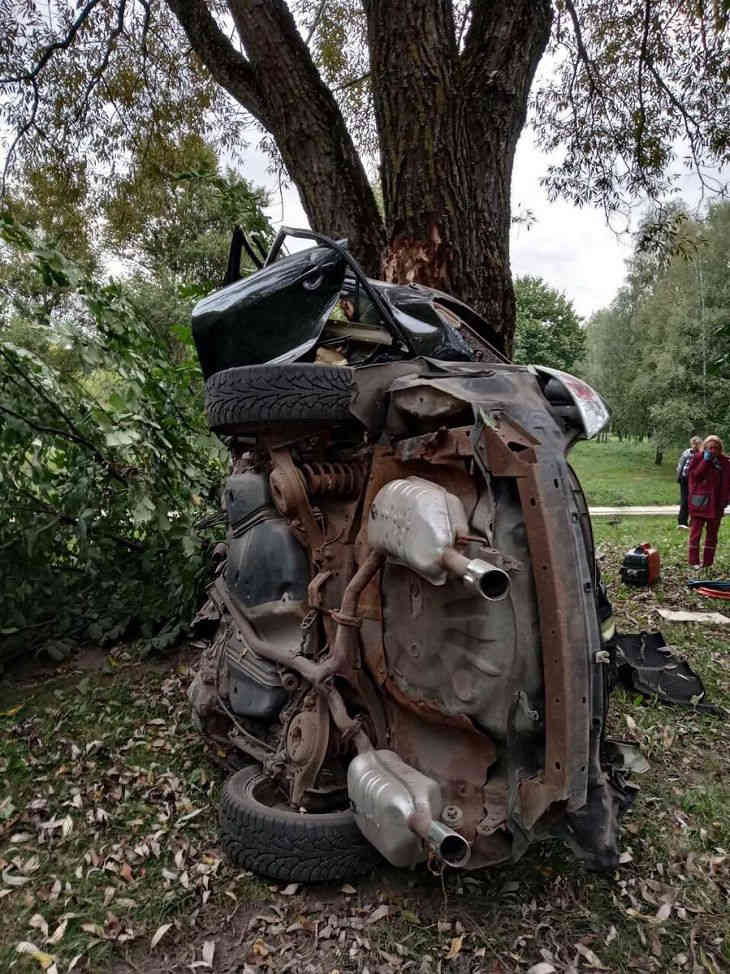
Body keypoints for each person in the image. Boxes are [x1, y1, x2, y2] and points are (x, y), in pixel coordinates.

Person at [686, 434, 730, 570]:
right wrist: (705, 462)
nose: (712, 450)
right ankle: (693, 562)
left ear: (720, 449)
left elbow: (728, 483)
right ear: (705, 447)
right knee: (695, 533)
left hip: (716, 504)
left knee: (712, 535)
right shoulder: (698, 458)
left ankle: (707, 563)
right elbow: (694, 476)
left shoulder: (725, 462)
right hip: (700, 503)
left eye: (716, 448)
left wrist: (726, 500)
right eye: (710, 448)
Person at [676, 436, 703, 529]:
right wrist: (679, 476)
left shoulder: (702, 454)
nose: (695, 445)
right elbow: (680, 464)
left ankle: (694, 522)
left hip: (695, 481)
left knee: (694, 501)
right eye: (693, 443)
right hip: (684, 479)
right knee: (684, 501)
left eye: (697, 443)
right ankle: (682, 522)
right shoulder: (687, 452)